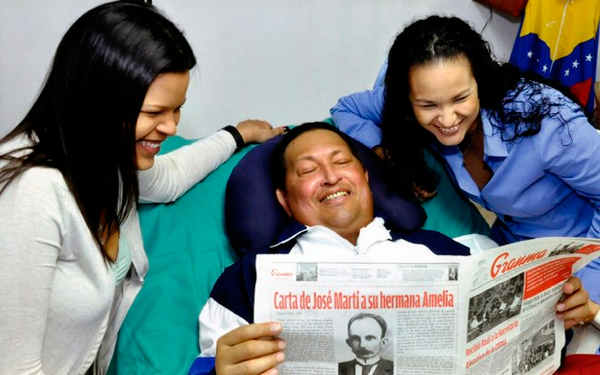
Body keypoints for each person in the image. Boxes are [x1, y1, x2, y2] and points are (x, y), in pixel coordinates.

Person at [0, 2, 283, 374]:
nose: (170, 128)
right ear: (96, 101)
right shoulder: (31, 191)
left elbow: (170, 178)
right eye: (154, 113)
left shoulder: (103, 157)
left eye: (177, 108)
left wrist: (236, 134)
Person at [196, 123, 594, 375]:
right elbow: (213, 362)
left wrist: (560, 311)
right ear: (284, 200)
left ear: (366, 180)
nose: (330, 175)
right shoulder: (248, 281)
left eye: (341, 162)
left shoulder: (458, 252)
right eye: (307, 170)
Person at [330, 14, 600, 321]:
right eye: (428, 106)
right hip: (516, 249)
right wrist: (386, 150)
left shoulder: (549, 121)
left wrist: (585, 288)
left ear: (480, 82)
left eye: (460, 98)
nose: (446, 120)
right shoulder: (406, 101)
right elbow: (345, 109)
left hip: (588, 250)